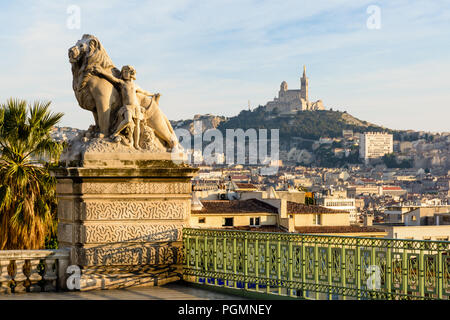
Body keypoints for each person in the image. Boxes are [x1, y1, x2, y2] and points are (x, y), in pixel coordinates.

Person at [93, 65, 157, 149]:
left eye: (126, 72)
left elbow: (144, 92)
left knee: (137, 125)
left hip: (136, 107)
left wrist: (153, 94)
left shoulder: (135, 86)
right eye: (123, 72)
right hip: (127, 107)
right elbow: (112, 78)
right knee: (127, 120)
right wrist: (101, 72)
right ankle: (115, 133)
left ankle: (136, 144)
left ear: (131, 73)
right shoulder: (122, 83)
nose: (124, 74)